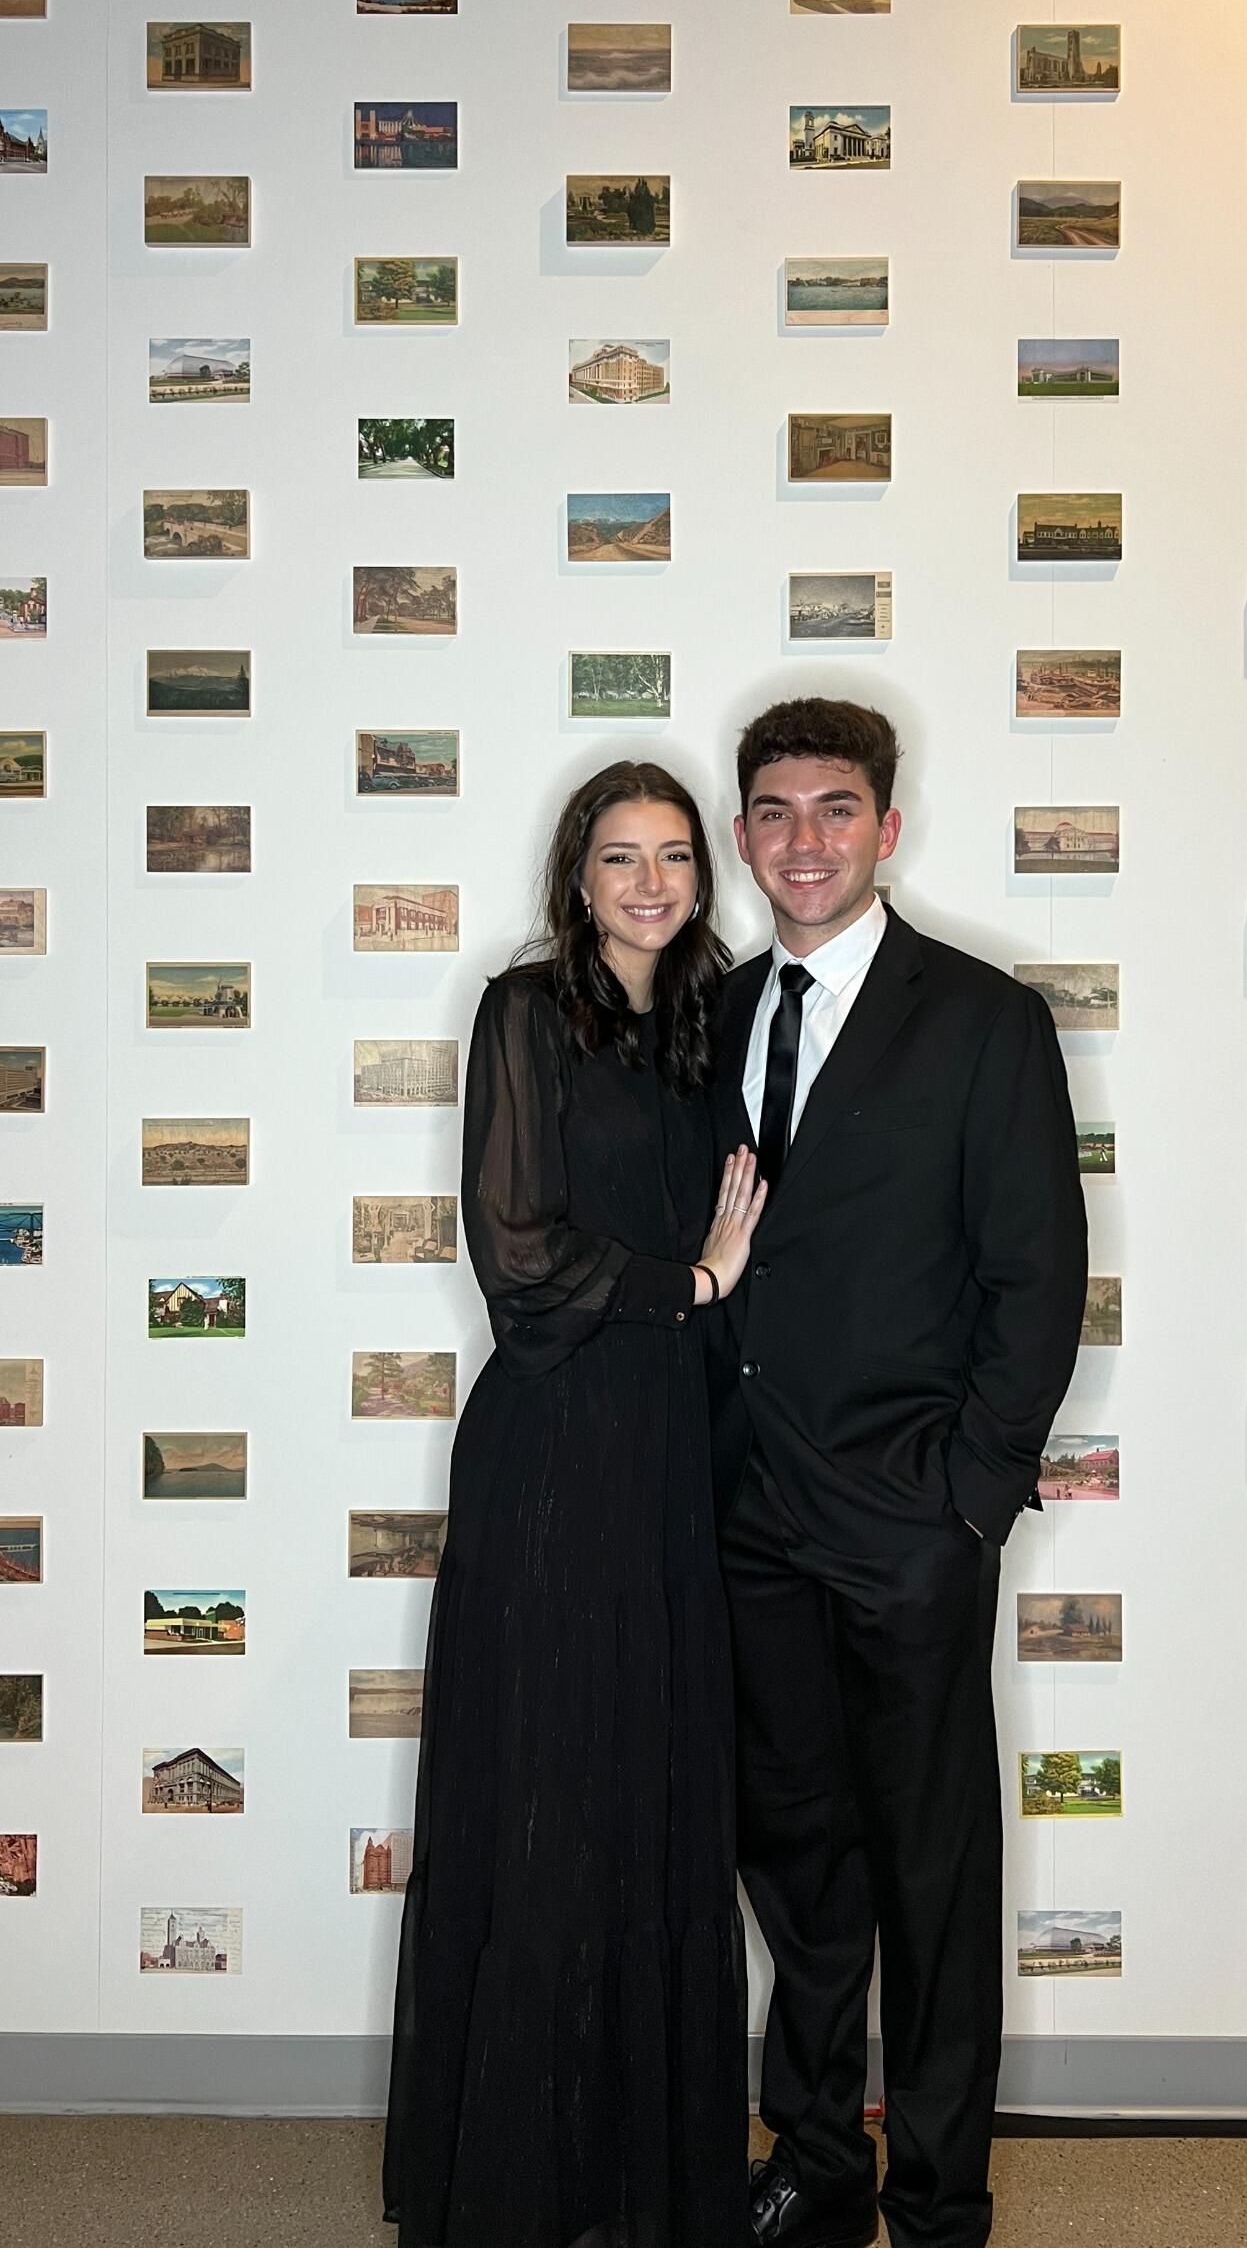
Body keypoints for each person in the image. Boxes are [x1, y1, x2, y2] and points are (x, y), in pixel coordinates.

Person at [709, 699, 1088, 2248]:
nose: (804, 840)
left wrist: (969, 1502)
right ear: (743, 836)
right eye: (775, 811)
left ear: (886, 828)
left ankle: (937, 2199)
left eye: (834, 809)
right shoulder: (712, 1015)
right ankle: (814, 2162)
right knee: (795, 1868)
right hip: (742, 1522)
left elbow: (1036, 1278)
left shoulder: (985, 1021)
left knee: (929, 1881)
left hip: (909, 1524)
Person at [384, 760, 765, 2248]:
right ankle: (517, 2178)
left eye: (673, 855)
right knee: (546, 1788)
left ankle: (636, 2164)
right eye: (620, 858)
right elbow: (521, 1256)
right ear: (577, 875)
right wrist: (692, 1283)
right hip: (552, 1447)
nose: (650, 883)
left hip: (673, 1449)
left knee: (650, 1792)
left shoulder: (713, 1022)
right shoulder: (526, 1011)